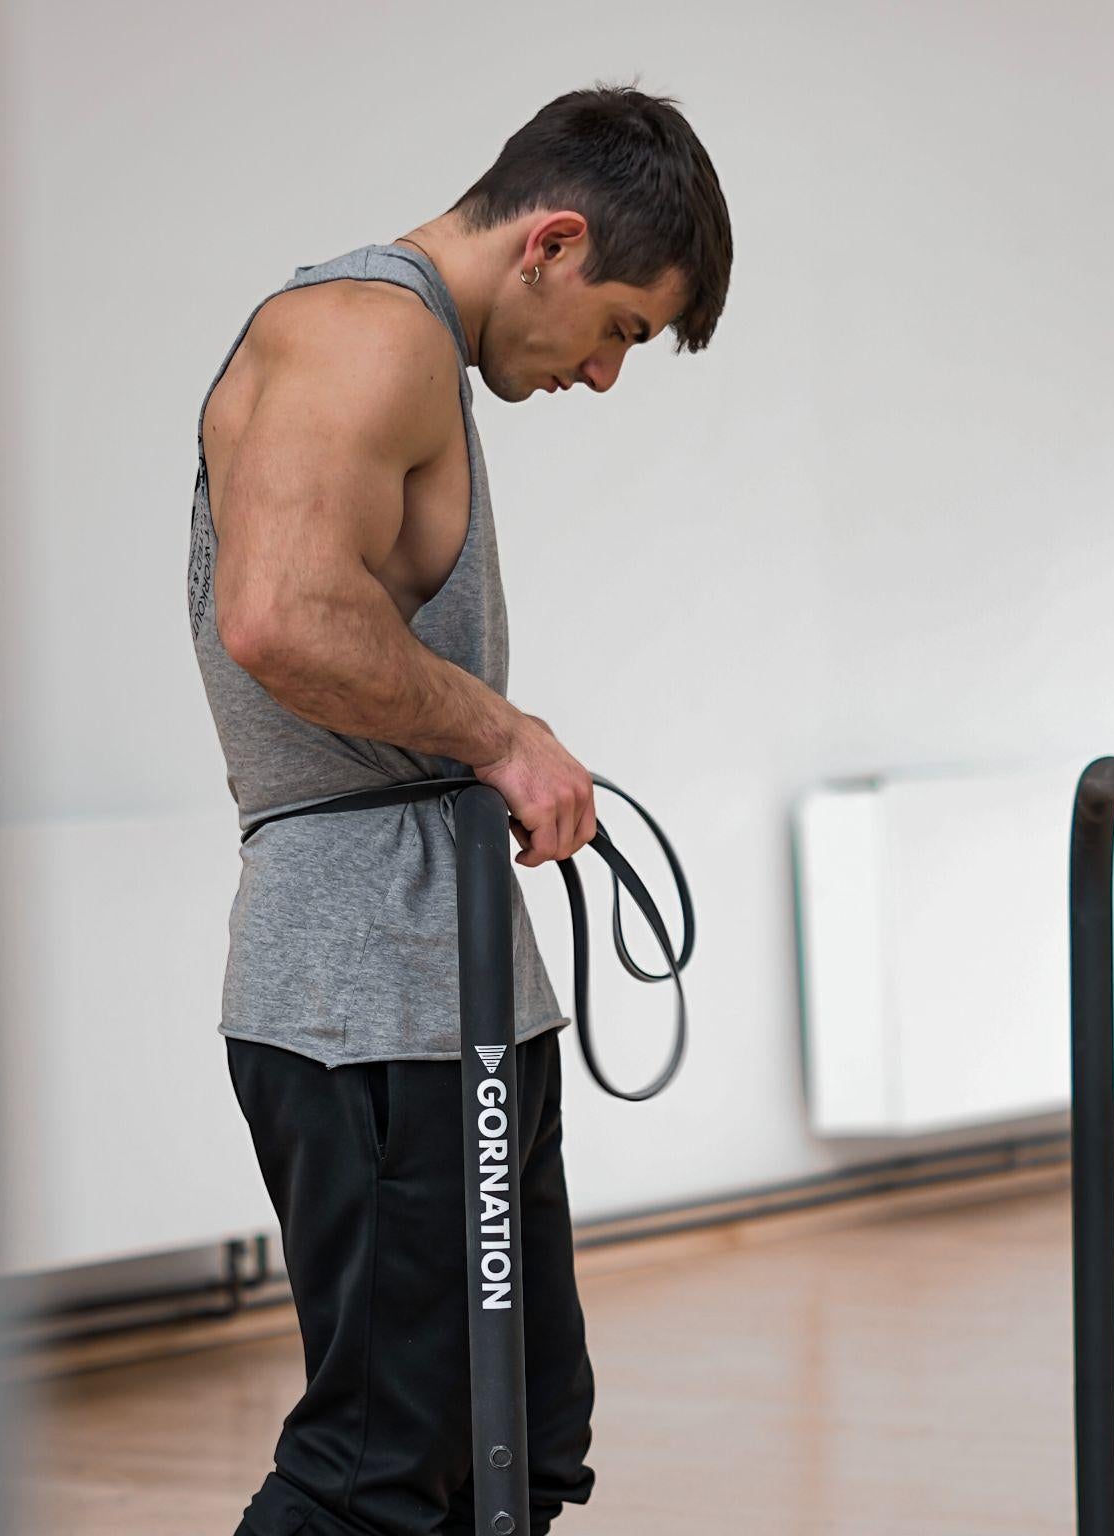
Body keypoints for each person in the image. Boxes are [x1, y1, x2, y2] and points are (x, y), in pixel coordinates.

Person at [186, 84, 732, 1536]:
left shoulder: (407, 344)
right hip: (365, 993)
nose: (606, 374)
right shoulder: (361, 330)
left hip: (459, 981)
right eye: (619, 325)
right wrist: (502, 731)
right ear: (551, 242)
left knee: (522, 1447)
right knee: (389, 1473)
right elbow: (280, 614)